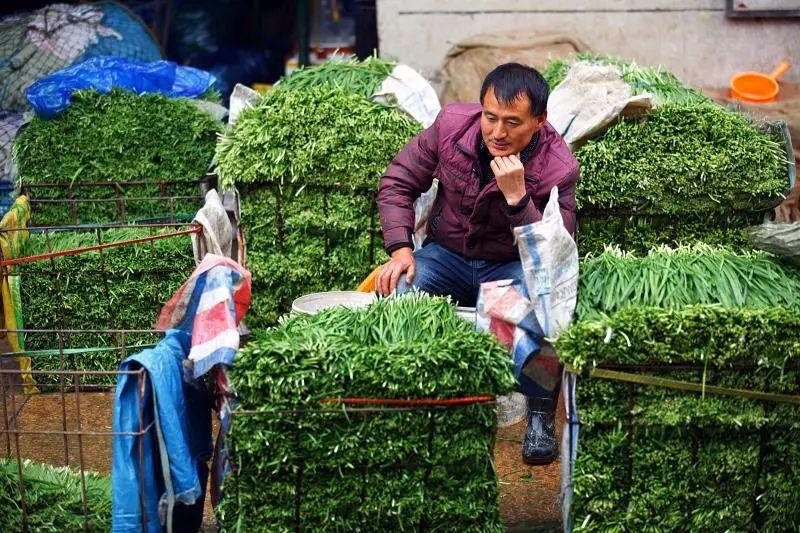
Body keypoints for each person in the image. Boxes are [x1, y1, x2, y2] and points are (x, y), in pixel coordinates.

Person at [376, 63, 579, 465]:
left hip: (510, 263)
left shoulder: (558, 167)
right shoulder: (451, 127)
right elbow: (399, 181)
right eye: (490, 117)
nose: (498, 132)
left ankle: (538, 413)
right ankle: (407, 403)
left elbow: (553, 253)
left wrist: (518, 200)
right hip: (446, 255)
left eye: (512, 122)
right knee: (400, 291)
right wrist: (401, 248)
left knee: (545, 304)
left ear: (539, 122)